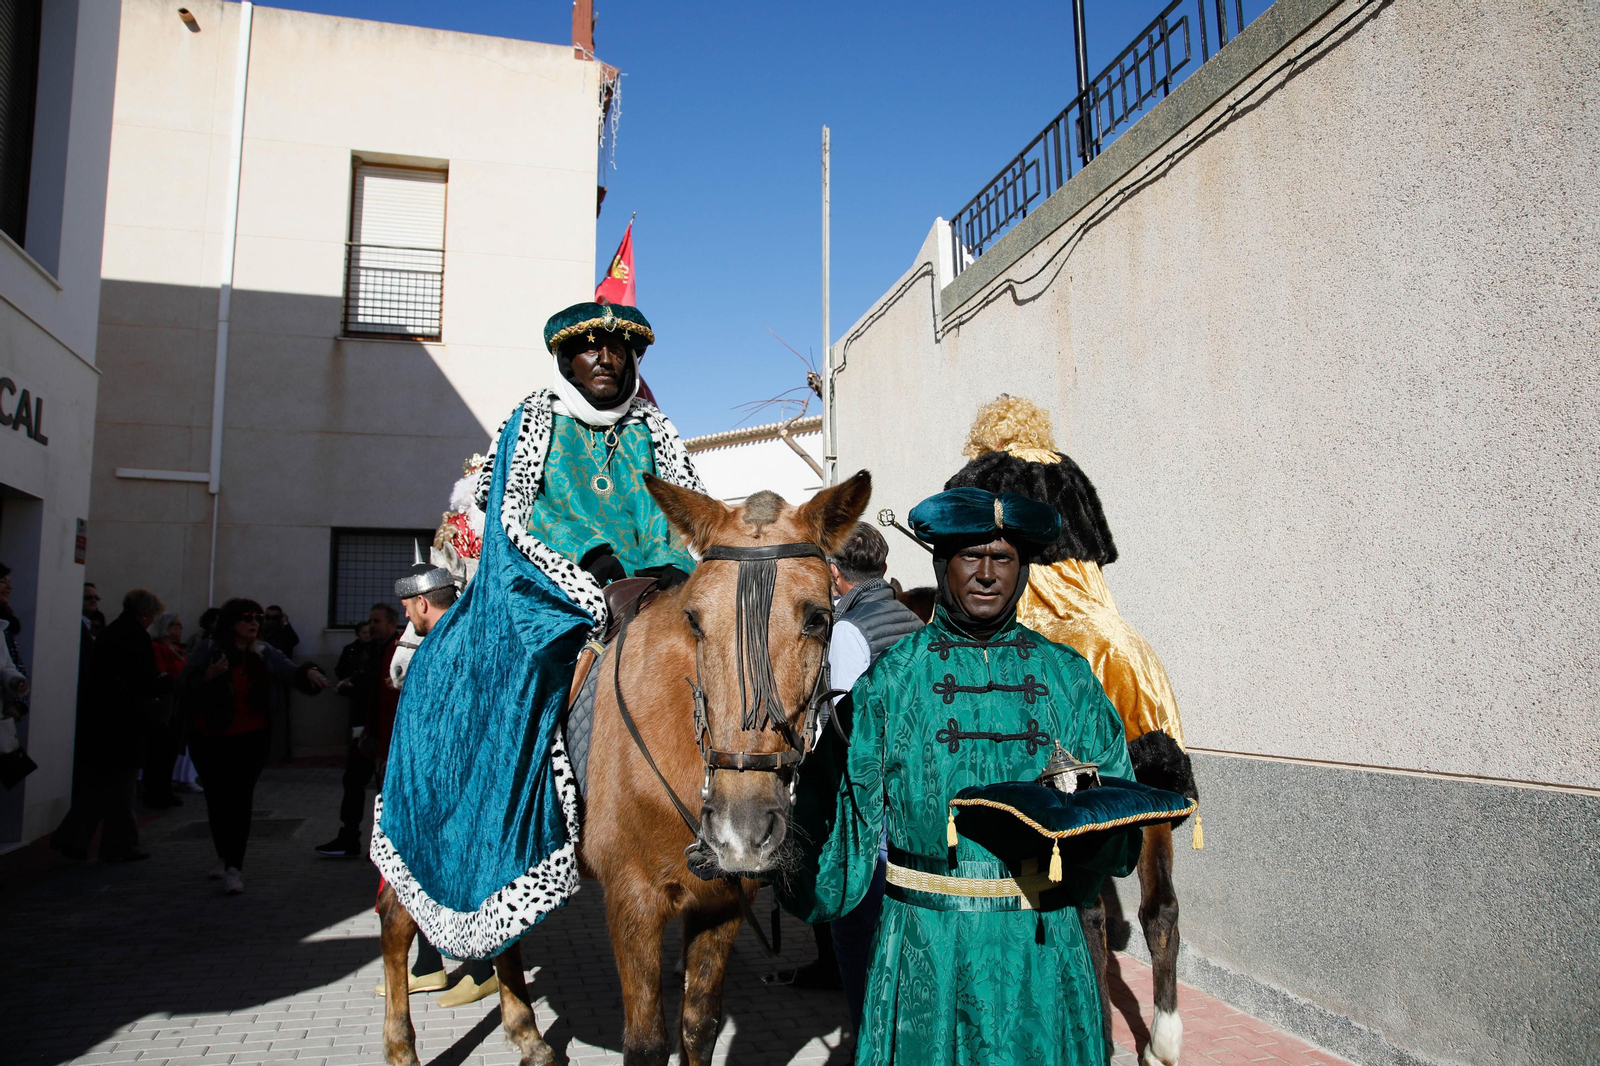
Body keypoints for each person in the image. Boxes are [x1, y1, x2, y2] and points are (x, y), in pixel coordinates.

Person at [371, 300, 706, 963]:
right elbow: (516, 511)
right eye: (588, 347)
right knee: (529, 672)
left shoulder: (657, 428)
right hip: (551, 580)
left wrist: (672, 573)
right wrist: (596, 566)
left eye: (618, 347)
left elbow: (686, 508)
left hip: (658, 580)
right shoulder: (533, 419)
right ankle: (509, 818)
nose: (605, 357)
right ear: (564, 358)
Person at [779, 488, 1139, 1066]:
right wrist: (777, 854)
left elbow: (1116, 813)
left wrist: (1085, 834)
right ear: (942, 564)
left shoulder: (1067, 678)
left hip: (1039, 952)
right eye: (972, 556)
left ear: (1022, 572)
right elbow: (836, 805)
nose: (988, 574)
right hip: (926, 950)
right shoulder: (893, 683)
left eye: (1004, 559)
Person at [815, 523, 924, 1027]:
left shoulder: (847, 630)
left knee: (857, 931)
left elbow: (840, 720)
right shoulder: (912, 618)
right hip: (914, 794)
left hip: (871, 802)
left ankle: (868, 1040)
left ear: (835, 575)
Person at [182, 597, 329, 894]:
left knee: (240, 800)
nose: (254, 623)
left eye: (258, 618)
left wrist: (308, 672)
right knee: (217, 800)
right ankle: (224, 855)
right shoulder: (209, 649)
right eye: (247, 617)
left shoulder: (263, 652)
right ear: (230, 622)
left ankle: (235, 866)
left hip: (251, 738)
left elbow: (289, 670)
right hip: (210, 737)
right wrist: (209, 676)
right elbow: (184, 684)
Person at [52, 588, 169, 862]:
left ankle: (74, 839)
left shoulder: (113, 632)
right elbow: (144, 680)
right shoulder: (134, 637)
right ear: (144, 613)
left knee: (100, 785)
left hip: (104, 721)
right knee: (119, 788)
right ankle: (116, 844)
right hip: (122, 724)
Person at [314, 607, 394, 858]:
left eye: (377, 621)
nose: (372, 626)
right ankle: (349, 836)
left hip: (387, 731)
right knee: (353, 780)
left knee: (388, 789)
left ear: (392, 624)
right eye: (370, 621)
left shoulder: (398, 650)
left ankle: (391, 844)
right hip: (364, 729)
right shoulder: (366, 650)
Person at [142, 614, 187, 808]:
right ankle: (155, 792)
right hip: (164, 706)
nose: (180, 629)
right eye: (176, 625)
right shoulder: (157, 648)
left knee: (169, 752)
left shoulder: (176, 649)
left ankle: (165, 790)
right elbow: (162, 674)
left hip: (176, 704)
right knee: (158, 753)